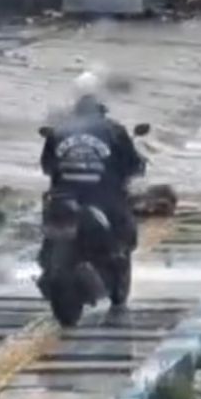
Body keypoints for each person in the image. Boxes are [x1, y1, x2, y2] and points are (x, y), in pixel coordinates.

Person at [38, 73, 145, 303]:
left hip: (63, 199)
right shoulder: (114, 130)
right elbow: (132, 164)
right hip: (103, 199)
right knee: (122, 235)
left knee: (49, 228)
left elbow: (47, 167)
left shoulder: (59, 130)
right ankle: (114, 263)